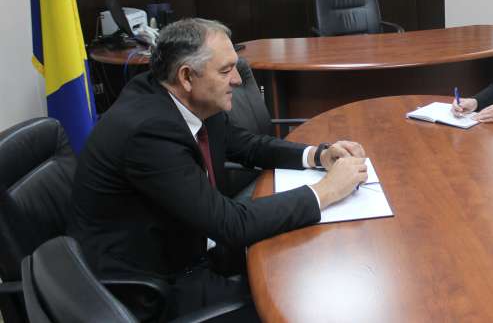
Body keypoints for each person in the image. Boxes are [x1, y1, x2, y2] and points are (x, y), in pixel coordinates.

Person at [69, 18, 368, 321]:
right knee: (299, 302)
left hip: (194, 239)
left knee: (309, 261)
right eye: (225, 71)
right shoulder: (149, 133)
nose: (237, 80)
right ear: (187, 76)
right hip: (157, 285)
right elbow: (231, 224)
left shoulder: (186, 98)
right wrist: (327, 190)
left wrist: (318, 155)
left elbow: (247, 145)